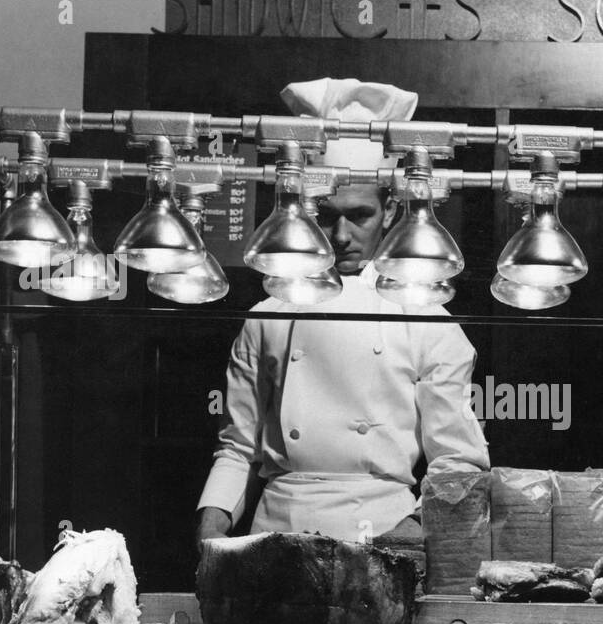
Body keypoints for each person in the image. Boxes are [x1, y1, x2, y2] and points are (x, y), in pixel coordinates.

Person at [195, 78, 489, 548]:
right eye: (328, 215)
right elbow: (236, 447)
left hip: (383, 532)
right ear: (307, 209)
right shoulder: (268, 315)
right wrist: (211, 526)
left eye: (360, 215)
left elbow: (457, 461)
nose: (343, 234)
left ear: (391, 209)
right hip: (277, 530)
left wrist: (412, 530)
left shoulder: (429, 319)